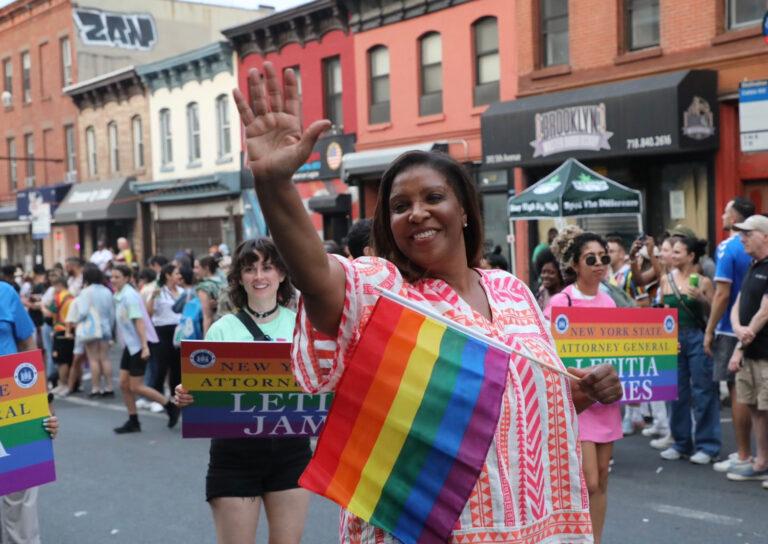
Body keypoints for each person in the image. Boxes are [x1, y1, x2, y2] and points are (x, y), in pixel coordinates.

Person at [231, 62, 622, 543]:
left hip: (532, 529)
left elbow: (523, 408)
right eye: (400, 206)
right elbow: (315, 277)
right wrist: (275, 186)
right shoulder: (385, 292)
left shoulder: (513, 291)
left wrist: (585, 391)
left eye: (433, 197)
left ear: (464, 211)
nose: (417, 213)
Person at [175, 238, 310, 544]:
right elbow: (201, 393)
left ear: (282, 274)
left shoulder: (302, 326)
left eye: (267, 267)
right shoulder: (222, 329)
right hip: (234, 456)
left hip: (291, 453)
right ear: (239, 277)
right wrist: (187, 395)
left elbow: (320, 385)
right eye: (250, 269)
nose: (259, 276)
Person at [546, 227, 621, 544]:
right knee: (589, 481)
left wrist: (661, 352)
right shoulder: (560, 302)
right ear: (575, 264)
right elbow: (544, 349)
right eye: (591, 258)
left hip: (606, 401)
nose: (599, 264)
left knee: (602, 478)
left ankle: (596, 539)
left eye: (604, 257)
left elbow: (627, 349)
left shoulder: (610, 302)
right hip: (577, 400)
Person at [0, 279, 59, 544]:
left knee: (19, 490)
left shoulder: (5, 293)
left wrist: (42, 400)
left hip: (13, 400)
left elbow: (28, 346)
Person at [658, 236, 720, 464]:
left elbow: (715, 312)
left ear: (691, 256)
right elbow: (662, 311)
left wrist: (702, 298)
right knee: (675, 391)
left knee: (703, 391)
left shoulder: (704, 282)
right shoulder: (666, 279)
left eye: (677, 252)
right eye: (671, 251)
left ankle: (707, 446)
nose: (672, 256)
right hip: (672, 338)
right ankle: (681, 442)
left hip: (697, 336)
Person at [704, 198, 756, 474]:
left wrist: (710, 329)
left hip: (730, 327)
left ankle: (744, 454)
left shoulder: (728, 247)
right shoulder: (758, 246)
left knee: (738, 390)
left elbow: (722, 294)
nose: (722, 215)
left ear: (735, 217)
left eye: (725, 211)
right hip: (756, 325)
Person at [110, 265, 178, 433]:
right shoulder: (119, 295)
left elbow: (139, 321)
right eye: (112, 277)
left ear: (127, 278)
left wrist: (144, 346)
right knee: (124, 384)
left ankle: (170, 405)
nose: (113, 280)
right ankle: (133, 420)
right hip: (131, 345)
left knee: (136, 386)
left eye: (117, 277)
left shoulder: (130, 296)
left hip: (140, 344)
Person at [727, 214, 768, 483]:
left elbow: (765, 311)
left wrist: (743, 338)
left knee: (766, 408)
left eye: (748, 233)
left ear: (765, 236)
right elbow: (737, 304)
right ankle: (761, 460)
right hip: (750, 349)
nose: (742, 239)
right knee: (755, 407)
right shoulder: (753, 266)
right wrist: (737, 330)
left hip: (764, 353)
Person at [74, 264, 115, 397]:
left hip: (91, 329)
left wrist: (76, 321)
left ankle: (96, 388)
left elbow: (83, 312)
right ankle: (109, 387)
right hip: (105, 327)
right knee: (105, 358)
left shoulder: (86, 292)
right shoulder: (107, 291)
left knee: (93, 359)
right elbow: (111, 313)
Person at [146, 263, 183, 396]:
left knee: (177, 366)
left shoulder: (182, 291)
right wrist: (152, 297)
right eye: (176, 273)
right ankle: (158, 396)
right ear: (168, 275)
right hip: (162, 330)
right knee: (161, 365)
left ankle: (175, 395)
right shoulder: (158, 291)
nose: (179, 276)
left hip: (178, 330)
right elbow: (149, 313)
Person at [48, 276, 75, 397]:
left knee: (61, 360)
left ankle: (62, 383)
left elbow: (50, 313)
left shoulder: (58, 297)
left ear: (59, 285)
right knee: (69, 359)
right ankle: (69, 383)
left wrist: (42, 306)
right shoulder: (71, 296)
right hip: (70, 329)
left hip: (60, 329)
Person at [194, 256, 224, 337]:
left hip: (214, 330)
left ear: (206, 268)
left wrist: (206, 340)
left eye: (197, 267)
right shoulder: (224, 282)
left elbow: (207, 317)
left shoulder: (204, 287)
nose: (194, 270)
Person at [533, 246, 563, 310]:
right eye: (543, 272)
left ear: (560, 275)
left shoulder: (566, 296)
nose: (546, 276)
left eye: (551, 273)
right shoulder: (540, 295)